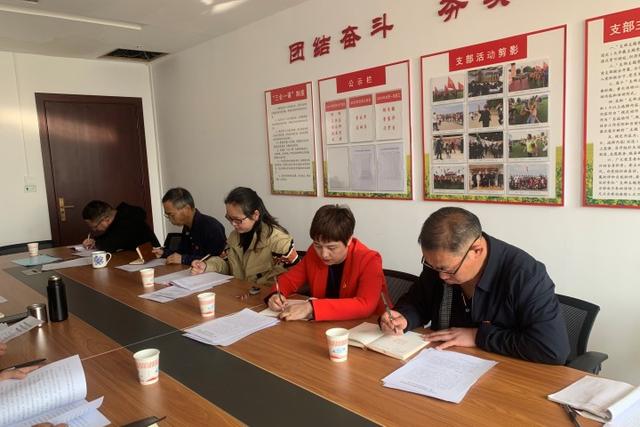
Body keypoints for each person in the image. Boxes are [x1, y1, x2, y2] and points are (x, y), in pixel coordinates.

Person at [380, 207, 570, 365]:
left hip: (506, 374)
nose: (441, 276)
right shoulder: (439, 264)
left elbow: (552, 348)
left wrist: (478, 336)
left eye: (448, 269)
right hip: (442, 364)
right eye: (432, 265)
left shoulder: (525, 275)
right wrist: (404, 317)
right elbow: (419, 301)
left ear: (477, 250)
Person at [267, 204, 390, 322]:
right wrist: (276, 295)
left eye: (331, 247)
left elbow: (365, 305)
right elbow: (288, 280)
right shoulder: (314, 252)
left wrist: (311, 307)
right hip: (326, 325)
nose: (324, 254)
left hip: (369, 326)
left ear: (349, 239)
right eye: (318, 245)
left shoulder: (369, 260)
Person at [191, 187, 298, 285]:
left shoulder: (278, 240)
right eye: (229, 218)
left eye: (238, 220)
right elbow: (226, 263)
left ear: (255, 215)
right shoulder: (234, 236)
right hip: (241, 292)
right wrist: (206, 266)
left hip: (268, 295)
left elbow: (296, 277)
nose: (233, 224)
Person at [153, 188, 226, 265]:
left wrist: (184, 259)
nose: (170, 219)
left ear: (187, 209)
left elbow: (216, 261)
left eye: (171, 215)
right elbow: (182, 253)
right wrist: (164, 253)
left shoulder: (212, 227)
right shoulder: (187, 227)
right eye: (167, 215)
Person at [82, 200, 159, 252]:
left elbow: (110, 244)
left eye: (95, 226)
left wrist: (96, 243)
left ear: (106, 220)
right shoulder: (118, 218)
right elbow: (108, 237)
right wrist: (94, 241)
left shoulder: (128, 221)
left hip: (152, 260)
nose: (94, 230)